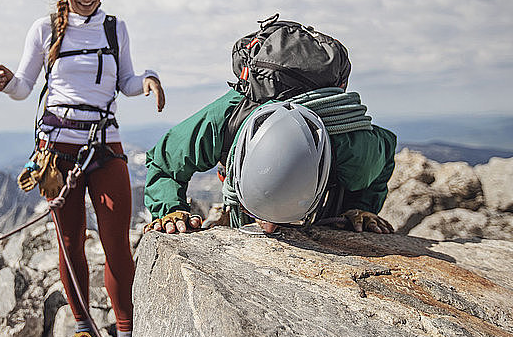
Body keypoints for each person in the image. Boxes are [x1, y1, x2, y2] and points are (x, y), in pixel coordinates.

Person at [0, 0, 163, 337]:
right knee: (70, 243)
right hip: (57, 151)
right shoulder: (44, 29)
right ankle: (84, 328)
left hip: (105, 146)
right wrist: (7, 82)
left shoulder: (116, 29)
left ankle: (125, 333)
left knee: (116, 242)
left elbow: (126, 82)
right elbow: (24, 86)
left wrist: (148, 80)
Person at [143, 26, 396, 237]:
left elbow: (385, 152)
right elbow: (165, 161)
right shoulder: (227, 119)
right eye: (257, 214)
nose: (270, 229)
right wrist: (169, 210)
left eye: (288, 220)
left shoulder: (349, 145)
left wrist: (359, 209)